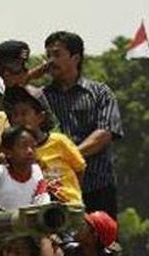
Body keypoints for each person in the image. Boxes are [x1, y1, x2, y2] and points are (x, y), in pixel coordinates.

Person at [42, 31, 123, 218]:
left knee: (103, 243)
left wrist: (69, 156)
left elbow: (105, 133)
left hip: (97, 186)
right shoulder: (41, 98)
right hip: (56, 191)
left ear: (76, 58)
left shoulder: (100, 93)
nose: (50, 61)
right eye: (48, 56)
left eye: (56, 55)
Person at [4, 85, 86, 205]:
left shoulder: (59, 141)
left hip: (69, 205)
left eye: (24, 113)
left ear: (40, 117)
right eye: (15, 115)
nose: (18, 119)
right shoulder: (14, 152)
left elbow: (79, 169)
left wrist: (71, 194)